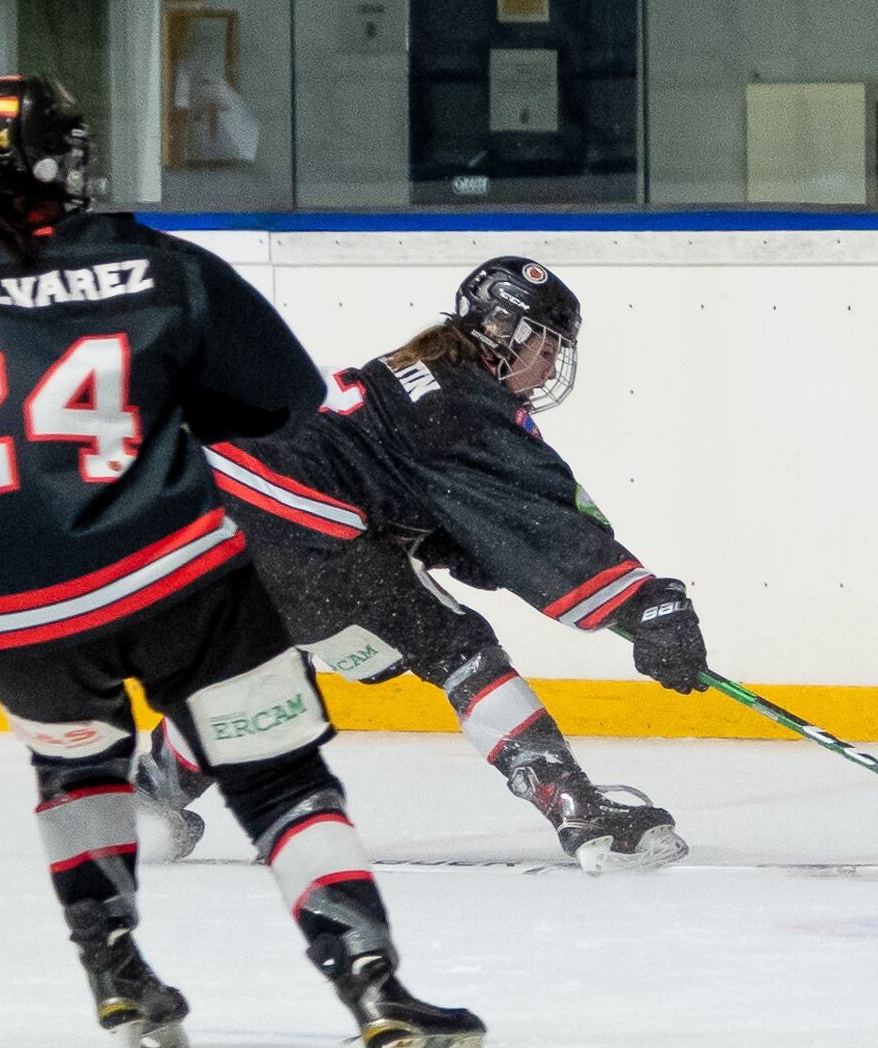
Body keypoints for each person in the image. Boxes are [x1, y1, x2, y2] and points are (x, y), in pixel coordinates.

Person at [0, 75, 494, 1048]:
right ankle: (371, 982)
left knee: (75, 763)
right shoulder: (157, 266)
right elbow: (285, 398)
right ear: (79, 162)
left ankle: (115, 967)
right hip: (168, 576)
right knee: (278, 774)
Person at [128, 255, 709, 873]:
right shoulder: (465, 403)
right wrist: (647, 603)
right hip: (299, 524)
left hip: (210, 522)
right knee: (458, 650)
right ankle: (579, 811)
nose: (548, 367)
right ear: (508, 333)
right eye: (545, 346)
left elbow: (452, 521)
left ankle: (146, 803)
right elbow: (541, 524)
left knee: (262, 667)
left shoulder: (412, 372)